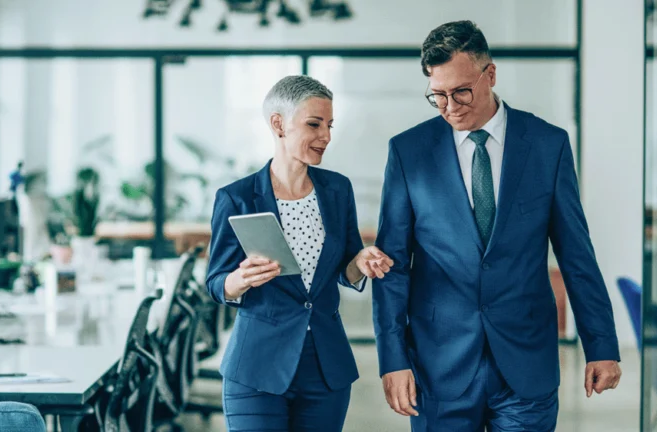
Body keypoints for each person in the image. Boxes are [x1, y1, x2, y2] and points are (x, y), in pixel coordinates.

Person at [372, 20, 622, 431]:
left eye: (461, 92)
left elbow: (576, 252)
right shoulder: (408, 152)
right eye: (437, 96)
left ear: (490, 74)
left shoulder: (547, 144)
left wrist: (601, 345)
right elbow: (392, 265)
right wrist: (392, 359)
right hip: (438, 365)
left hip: (526, 363)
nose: (450, 106)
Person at [206, 75, 394, 432]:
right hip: (256, 369)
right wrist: (239, 280)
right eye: (314, 124)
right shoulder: (237, 197)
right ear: (278, 124)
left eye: (329, 125)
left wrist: (362, 262)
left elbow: (346, 266)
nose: (325, 136)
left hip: (325, 367)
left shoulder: (337, 189)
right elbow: (216, 282)